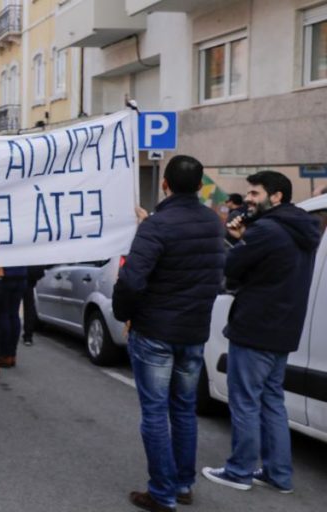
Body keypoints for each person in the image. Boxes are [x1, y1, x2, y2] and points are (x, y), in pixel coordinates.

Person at [112, 155, 225, 512]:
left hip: (155, 331)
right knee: (184, 410)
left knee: (156, 413)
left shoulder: (158, 226)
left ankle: (161, 493)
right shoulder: (213, 222)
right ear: (200, 184)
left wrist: (124, 314)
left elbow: (131, 279)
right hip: (193, 332)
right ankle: (183, 484)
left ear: (165, 185)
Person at [202, 171, 321, 495]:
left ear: (277, 196)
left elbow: (232, 267)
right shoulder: (302, 228)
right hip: (283, 330)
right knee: (272, 403)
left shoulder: (266, 230)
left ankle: (239, 471)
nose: (249, 199)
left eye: (254, 193)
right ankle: (278, 474)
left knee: (245, 403)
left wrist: (239, 240)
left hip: (255, 328)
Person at [0, 266, 27, 368]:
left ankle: (4, 355)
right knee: (14, 314)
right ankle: (12, 354)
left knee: (3, 314)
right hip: (22, 275)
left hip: (5, 275)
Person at [21, 265, 45, 347]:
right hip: (29, 278)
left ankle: (3, 334)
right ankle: (28, 336)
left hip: (15, 276)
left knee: (9, 308)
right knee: (29, 307)